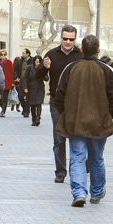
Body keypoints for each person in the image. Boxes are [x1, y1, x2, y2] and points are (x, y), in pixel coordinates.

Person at [52, 35, 113, 207]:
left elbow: (58, 96)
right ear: (98, 50)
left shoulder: (71, 68)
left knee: (77, 157)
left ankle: (79, 192)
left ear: (81, 49)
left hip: (75, 123)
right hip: (99, 123)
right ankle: (97, 192)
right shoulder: (106, 70)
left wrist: (67, 114)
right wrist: (108, 115)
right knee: (96, 158)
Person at [36, 25, 83, 183]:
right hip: (57, 102)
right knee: (59, 139)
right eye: (65, 39)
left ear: (75, 39)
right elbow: (39, 75)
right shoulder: (51, 54)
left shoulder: (80, 55)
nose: (68, 42)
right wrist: (44, 67)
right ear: (60, 38)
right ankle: (60, 172)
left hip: (76, 103)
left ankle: (75, 170)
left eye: (71, 39)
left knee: (76, 138)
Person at [22, 55, 47, 126]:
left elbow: (46, 78)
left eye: (39, 62)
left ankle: (38, 118)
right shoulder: (29, 68)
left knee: (39, 103)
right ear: (34, 62)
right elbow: (25, 78)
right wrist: (25, 88)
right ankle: (34, 119)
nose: (38, 64)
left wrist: (43, 72)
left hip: (40, 88)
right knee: (32, 104)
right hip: (31, 88)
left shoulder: (43, 68)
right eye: (36, 62)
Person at [14, 49, 32, 117]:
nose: (22, 54)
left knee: (28, 97)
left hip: (29, 81)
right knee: (20, 96)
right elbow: (15, 70)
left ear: (28, 54)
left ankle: (27, 111)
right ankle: (24, 109)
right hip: (21, 80)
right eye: (22, 53)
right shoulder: (20, 61)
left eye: (24, 53)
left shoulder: (32, 61)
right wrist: (16, 77)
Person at [0, 49, 14, 117]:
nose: (3, 56)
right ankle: (2, 108)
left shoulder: (9, 62)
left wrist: (12, 82)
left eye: (4, 54)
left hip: (7, 82)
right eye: (1, 55)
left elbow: (12, 72)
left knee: (5, 97)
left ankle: (3, 111)